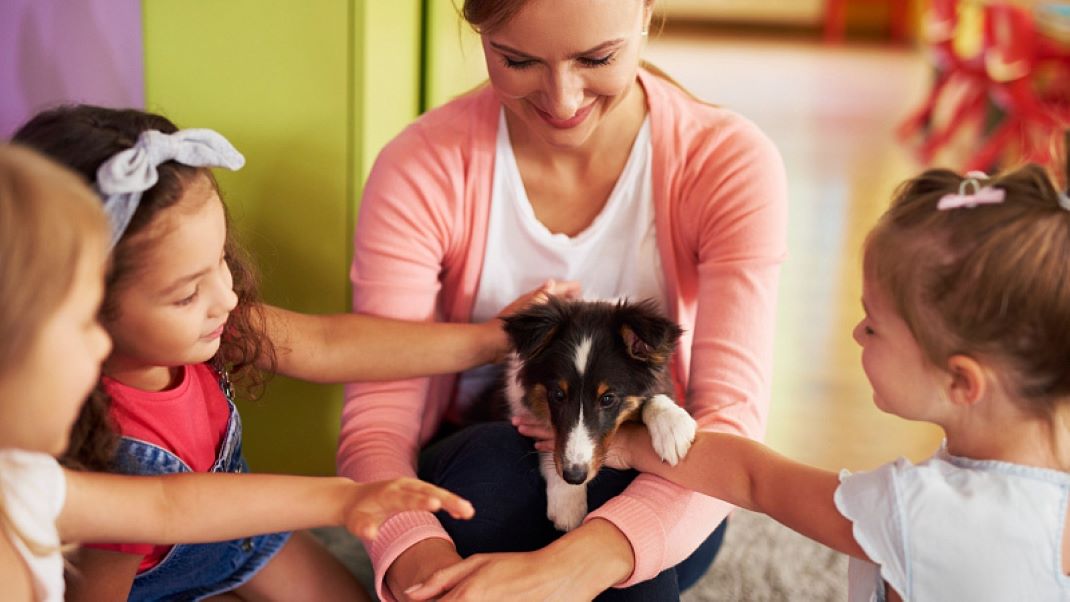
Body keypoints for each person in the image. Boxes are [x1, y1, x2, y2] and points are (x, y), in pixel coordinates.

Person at [10, 105, 557, 602]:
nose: (226, 297)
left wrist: (487, 340)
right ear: (86, 305)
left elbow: (330, 344)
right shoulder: (97, 452)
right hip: (148, 581)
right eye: (186, 292)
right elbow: (152, 525)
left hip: (240, 525)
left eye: (221, 261)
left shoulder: (211, 326)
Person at [338, 0, 788, 599]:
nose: (563, 100)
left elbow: (728, 423)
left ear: (648, 14)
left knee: (630, 547)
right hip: (485, 455)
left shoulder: (728, 163)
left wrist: (577, 565)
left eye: (597, 58)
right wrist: (418, 562)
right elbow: (377, 427)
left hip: (660, 472)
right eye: (518, 60)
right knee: (502, 470)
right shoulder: (420, 167)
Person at [501, 165, 1070, 602]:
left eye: (872, 324)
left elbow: (755, 479)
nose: (855, 331)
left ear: (962, 381)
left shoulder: (915, 510)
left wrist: (623, 442)